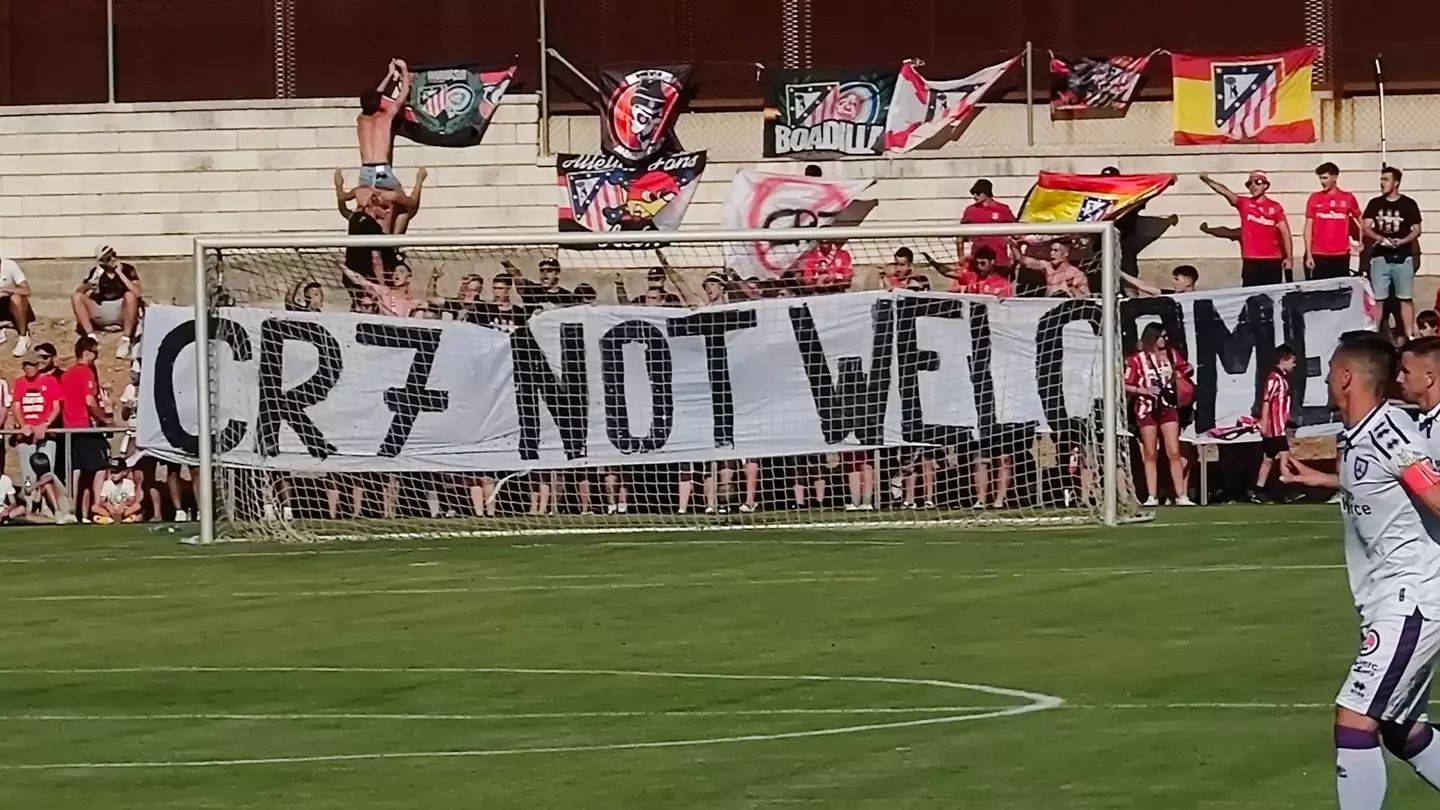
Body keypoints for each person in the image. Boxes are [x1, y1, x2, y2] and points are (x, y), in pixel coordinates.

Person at [1280, 332, 1440, 810]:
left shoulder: (1391, 434)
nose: (1327, 378)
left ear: (1347, 376)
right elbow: (1383, 487)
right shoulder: (1359, 433)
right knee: (1401, 728)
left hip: (1412, 599)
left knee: (1354, 720)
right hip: (1387, 600)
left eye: (1330, 369)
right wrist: (1324, 480)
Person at [1124, 323, 1194, 507]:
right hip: (1146, 408)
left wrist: (1184, 374)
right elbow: (1125, 384)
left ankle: (1181, 495)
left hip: (1168, 407)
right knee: (1150, 452)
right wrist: (1143, 389)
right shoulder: (1136, 360)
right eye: (1160, 336)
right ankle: (1151, 495)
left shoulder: (1171, 354)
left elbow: (1185, 368)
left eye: (1165, 336)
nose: (1164, 340)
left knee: (1174, 450)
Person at [1199, 171, 1293, 286]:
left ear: (1265, 185)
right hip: (1251, 260)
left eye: (1258, 182)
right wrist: (1207, 181)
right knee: (1251, 298)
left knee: (1271, 298)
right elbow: (1226, 193)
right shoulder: (1245, 204)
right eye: (1249, 184)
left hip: (1272, 260)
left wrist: (1289, 257)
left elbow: (1285, 233)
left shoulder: (1275, 207)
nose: (1253, 186)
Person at [1363, 166, 1424, 341]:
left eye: (1386, 179)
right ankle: (1374, 335)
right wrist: (1380, 238)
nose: (1382, 183)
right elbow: (1365, 226)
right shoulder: (1375, 203)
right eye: (1381, 179)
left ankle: (1409, 335)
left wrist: (1403, 241)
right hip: (1380, 257)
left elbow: (1417, 230)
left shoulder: (1408, 204)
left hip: (1403, 257)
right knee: (1379, 299)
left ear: (1396, 182)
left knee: (1405, 298)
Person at [61, 336, 111, 520]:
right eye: (95, 353)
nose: (95, 358)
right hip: (84, 426)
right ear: (87, 352)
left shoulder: (66, 374)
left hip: (69, 428)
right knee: (100, 466)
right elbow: (89, 401)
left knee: (76, 470)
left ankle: (74, 510)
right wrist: (104, 418)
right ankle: (97, 505)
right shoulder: (86, 373)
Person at [72, 245, 142, 358]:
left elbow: (138, 293)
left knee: (130, 296)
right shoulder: (97, 272)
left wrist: (120, 274)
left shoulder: (128, 269)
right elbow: (79, 292)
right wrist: (88, 285)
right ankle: (91, 337)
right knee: (76, 297)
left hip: (121, 310)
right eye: (108, 258)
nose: (113, 259)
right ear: (102, 262)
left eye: (113, 254)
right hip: (102, 309)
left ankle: (125, 340)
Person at [1249, 345, 1297, 503]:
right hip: (1275, 427)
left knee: (1268, 458)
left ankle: (1258, 490)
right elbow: (1266, 401)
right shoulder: (1274, 378)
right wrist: (1264, 421)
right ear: (1283, 360)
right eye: (1292, 361)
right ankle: (1288, 489)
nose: (1294, 365)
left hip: (1278, 425)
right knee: (1285, 455)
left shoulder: (1282, 378)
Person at [357, 58, 411, 191]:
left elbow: (375, 96)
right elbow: (403, 95)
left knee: (367, 207)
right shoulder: (385, 118)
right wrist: (404, 69)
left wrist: (389, 74)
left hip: (365, 170)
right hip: (381, 169)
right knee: (400, 197)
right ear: (379, 103)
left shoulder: (361, 119)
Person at [1305, 162, 1362, 280]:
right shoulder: (1315, 198)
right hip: (1319, 253)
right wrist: (1309, 254)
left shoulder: (1348, 197)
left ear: (1335, 177)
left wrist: (1361, 241)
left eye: (1325, 178)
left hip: (1341, 253)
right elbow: (1308, 227)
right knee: (1321, 291)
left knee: (1341, 291)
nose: (1322, 181)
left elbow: (1361, 219)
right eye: (1320, 178)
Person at [960, 179, 1015, 274]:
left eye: (977, 193)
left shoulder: (1002, 209)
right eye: (973, 193)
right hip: (978, 260)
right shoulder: (970, 211)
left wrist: (1013, 256)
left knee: (1000, 286)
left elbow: (1015, 233)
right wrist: (961, 256)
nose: (974, 196)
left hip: (1000, 259)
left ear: (986, 192)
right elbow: (960, 234)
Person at [1012, 239, 1088, 298]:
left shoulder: (1077, 274)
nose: (1051, 253)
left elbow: (1086, 298)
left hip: (1067, 309)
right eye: (1051, 250)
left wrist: (1072, 288)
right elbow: (1021, 258)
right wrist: (1012, 243)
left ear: (1065, 253)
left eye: (1055, 250)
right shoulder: (1047, 266)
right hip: (1048, 305)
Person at [341, 261, 418, 318]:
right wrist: (340, 265)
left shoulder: (412, 302)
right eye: (394, 272)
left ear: (409, 278)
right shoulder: (384, 291)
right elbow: (358, 280)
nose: (396, 274)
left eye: (401, 272)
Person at [0, 251, 33, 357]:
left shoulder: (10, 266)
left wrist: (4, 289)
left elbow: (26, 290)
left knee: (16, 298)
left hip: (10, 304)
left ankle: (23, 336)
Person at [91, 458, 142, 524]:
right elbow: (102, 501)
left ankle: (123, 518)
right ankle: (110, 518)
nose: (113, 475)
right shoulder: (107, 484)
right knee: (94, 507)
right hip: (110, 510)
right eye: (112, 472)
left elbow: (131, 500)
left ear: (124, 472)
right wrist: (108, 506)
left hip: (124, 510)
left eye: (116, 472)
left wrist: (123, 505)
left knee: (137, 506)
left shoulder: (129, 483)